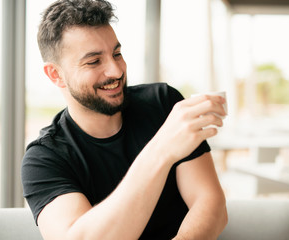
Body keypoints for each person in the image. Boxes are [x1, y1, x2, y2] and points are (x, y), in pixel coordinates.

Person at [21, 0, 228, 239]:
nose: (116, 71)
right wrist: (161, 150)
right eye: (94, 61)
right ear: (55, 74)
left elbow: (211, 203)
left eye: (116, 53)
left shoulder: (164, 103)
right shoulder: (44, 159)